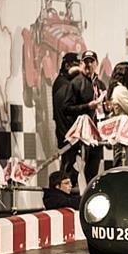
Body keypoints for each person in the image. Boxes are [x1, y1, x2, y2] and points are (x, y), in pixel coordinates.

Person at [63, 50, 107, 183]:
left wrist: (107, 108)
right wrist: (88, 106)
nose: (88, 65)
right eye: (86, 61)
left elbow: (104, 109)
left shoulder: (100, 84)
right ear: (81, 64)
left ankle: (89, 200)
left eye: (91, 61)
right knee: (74, 174)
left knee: (92, 175)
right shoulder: (76, 83)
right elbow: (66, 109)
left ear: (96, 64)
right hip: (80, 138)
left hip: (96, 137)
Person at [52, 52, 81, 181]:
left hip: (69, 134)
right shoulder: (63, 84)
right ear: (67, 65)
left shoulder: (65, 83)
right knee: (68, 172)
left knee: (71, 169)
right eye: (75, 65)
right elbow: (65, 112)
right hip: (68, 135)